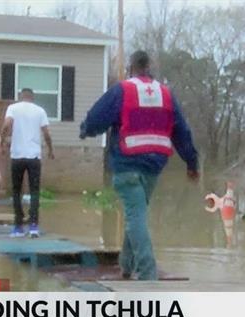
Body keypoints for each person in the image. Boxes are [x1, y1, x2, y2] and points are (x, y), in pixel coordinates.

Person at [80, 50, 199, 280]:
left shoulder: (123, 90)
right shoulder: (166, 94)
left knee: (136, 217)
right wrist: (191, 163)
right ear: (149, 66)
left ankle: (147, 273)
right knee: (137, 214)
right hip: (154, 166)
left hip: (127, 163)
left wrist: (86, 130)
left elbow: (97, 117)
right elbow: (182, 131)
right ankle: (125, 265)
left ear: (130, 68)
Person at [0, 88, 55, 238]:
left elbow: (6, 126)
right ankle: (33, 226)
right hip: (34, 157)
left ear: (21, 96)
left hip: (17, 156)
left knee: (16, 191)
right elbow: (46, 133)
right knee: (34, 191)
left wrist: (2, 142)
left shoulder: (13, 108)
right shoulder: (40, 111)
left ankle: (18, 227)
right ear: (32, 97)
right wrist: (50, 149)